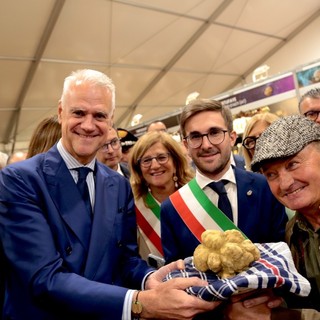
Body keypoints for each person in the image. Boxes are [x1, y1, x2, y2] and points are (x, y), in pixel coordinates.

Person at [0, 69, 220, 319]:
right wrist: (139, 302)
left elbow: (124, 258)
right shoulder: (20, 179)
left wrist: (149, 279)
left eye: (100, 115)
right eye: (79, 113)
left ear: (110, 120)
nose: (88, 125)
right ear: (61, 112)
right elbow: (43, 278)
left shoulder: (117, 184)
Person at [161, 98, 288, 264]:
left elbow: (283, 254)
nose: (206, 145)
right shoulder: (173, 209)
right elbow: (177, 274)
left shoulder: (264, 187)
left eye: (214, 133)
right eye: (196, 136)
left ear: (232, 137)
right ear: (186, 145)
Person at [250, 115, 320, 318]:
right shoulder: (293, 230)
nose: (285, 183)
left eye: (292, 164)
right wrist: (280, 303)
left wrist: (287, 316)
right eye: (271, 174)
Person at [129, 131, 194, 265]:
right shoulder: (132, 209)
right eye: (146, 160)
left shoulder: (195, 197)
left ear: (175, 161)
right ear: (139, 170)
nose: (155, 165)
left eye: (162, 157)